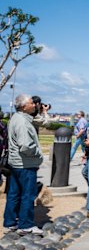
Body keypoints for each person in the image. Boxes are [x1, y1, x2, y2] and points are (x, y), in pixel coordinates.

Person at [3, 94, 44, 235]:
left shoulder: (16, 118)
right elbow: (25, 146)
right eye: (32, 103)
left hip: (17, 163)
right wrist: (38, 153)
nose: (35, 105)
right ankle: (25, 224)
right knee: (28, 194)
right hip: (25, 164)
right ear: (24, 106)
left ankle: (10, 222)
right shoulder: (22, 121)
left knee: (14, 193)